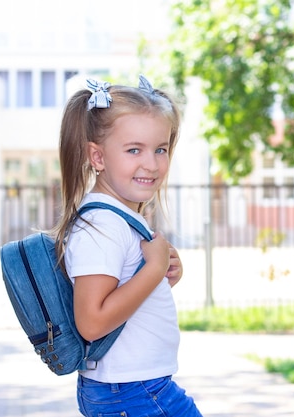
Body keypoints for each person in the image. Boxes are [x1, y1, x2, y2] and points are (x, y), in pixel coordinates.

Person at [52, 75, 203, 417]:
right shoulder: (103, 225)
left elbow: (120, 296)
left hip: (135, 388)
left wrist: (160, 276)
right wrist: (151, 271)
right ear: (98, 156)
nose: (151, 163)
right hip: (133, 391)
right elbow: (92, 322)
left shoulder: (117, 218)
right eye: (134, 149)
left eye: (160, 149)